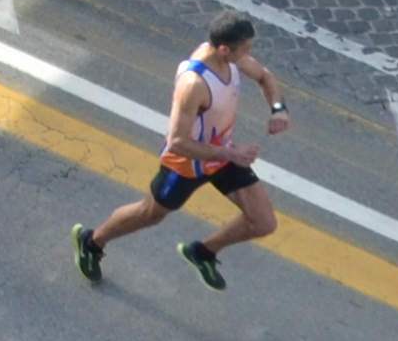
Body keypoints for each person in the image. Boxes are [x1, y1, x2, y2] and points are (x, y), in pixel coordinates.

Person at [70, 15, 290, 291]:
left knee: (263, 222)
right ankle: (91, 243)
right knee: (149, 213)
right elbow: (176, 142)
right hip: (186, 164)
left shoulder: (232, 59)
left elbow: (264, 76)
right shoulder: (193, 84)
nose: (249, 54)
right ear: (224, 49)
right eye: (245, 48)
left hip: (222, 156)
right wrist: (231, 155)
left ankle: (202, 253)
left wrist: (278, 109)